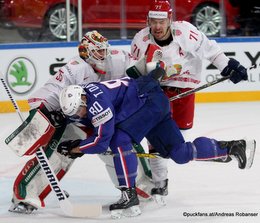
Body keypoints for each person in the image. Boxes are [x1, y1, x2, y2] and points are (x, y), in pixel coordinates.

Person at [57, 68, 256, 218]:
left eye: (78, 111)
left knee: (119, 140)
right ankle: (233, 147)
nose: (78, 116)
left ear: (83, 100)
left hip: (146, 103)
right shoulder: (84, 95)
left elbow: (101, 142)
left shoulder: (97, 104)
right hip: (152, 102)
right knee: (179, 153)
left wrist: (76, 148)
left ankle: (129, 196)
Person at [9, 30, 156, 214]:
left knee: (123, 146)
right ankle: (26, 196)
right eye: (98, 51)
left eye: (104, 50)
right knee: (60, 152)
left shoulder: (117, 58)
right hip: (77, 120)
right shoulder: (74, 68)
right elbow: (51, 90)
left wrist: (155, 70)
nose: (103, 55)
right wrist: (40, 113)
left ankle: (141, 188)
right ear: (86, 52)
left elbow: (139, 69)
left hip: (108, 119)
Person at [130, 0, 249, 203]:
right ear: (147, 20)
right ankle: (160, 183)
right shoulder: (140, 40)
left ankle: (225, 149)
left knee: (179, 144)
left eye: (162, 21)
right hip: (157, 95)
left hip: (184, 93)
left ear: (170, 19)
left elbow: (211, 49)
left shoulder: (186, 32)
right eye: (153, 21)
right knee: (158, 144)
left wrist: (227, 66)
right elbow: (132, 70)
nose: (157, 27)